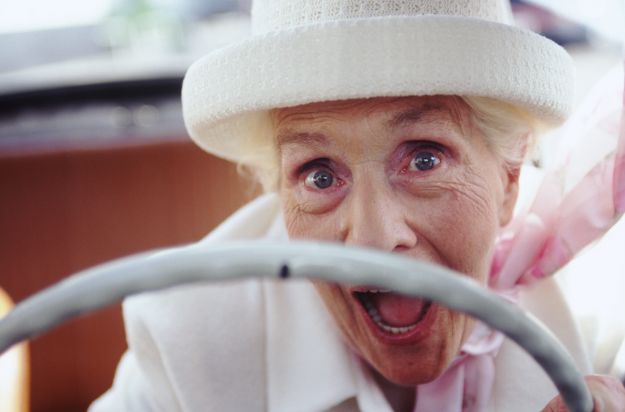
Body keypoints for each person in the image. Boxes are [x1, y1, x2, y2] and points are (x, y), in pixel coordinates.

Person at [91, 0, 625, 410]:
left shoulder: (600, 310)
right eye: (320, 175)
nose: (372, 240)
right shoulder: (188, 342)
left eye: (424, 159)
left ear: (509, 180)